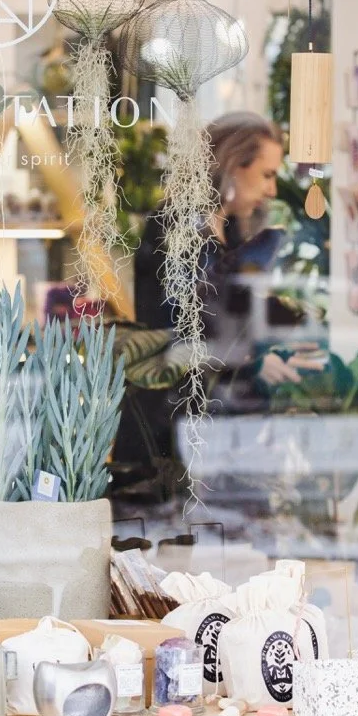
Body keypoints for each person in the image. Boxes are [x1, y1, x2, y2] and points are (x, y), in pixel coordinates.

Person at [113, 112, 322, 504]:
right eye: (266, 174)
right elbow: (181, 328)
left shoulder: (235, 229)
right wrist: (254, 363)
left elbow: (237, 322)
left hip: (221, 431)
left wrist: (278, 347)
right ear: (231, 166)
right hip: (170, 432)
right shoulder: (174, 230)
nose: (273, 190)